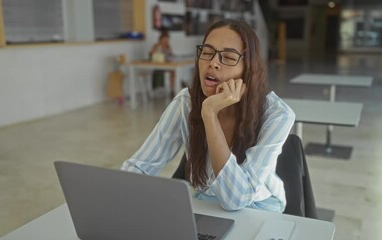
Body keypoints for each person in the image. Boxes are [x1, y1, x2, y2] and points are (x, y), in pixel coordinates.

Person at [121, 19, 295, 212]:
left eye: (228, 57)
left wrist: (210, 113)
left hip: (259, 205)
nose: (213, 63)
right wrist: (113, 193)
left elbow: (236, 200)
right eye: (207, 52)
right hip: (206, 199)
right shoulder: (186, 102)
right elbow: (140, 167)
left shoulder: (277, 115)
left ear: (249, 69)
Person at [149, 30, 176, 97]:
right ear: (161, 39)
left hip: (166, 66)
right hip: (158, 66)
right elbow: (151, 54)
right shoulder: (156, 46)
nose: (166, 40)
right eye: (164, 38)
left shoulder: (168, 47)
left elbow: (171, 56)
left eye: (167, 39)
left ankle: (172, 90)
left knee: (173, 71)